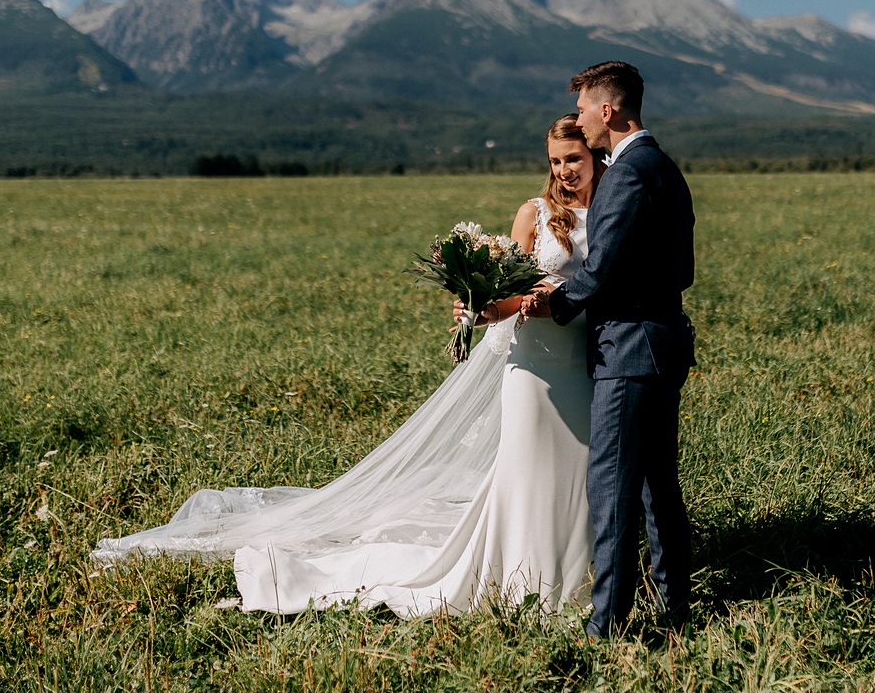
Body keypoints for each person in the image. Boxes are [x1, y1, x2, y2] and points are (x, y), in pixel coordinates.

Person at [93, 115, 602, 616]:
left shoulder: (611, 209)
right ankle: (520, 576)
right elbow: (508, 295)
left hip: (582, 358)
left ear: (595, 154)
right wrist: (486, 307)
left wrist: (554, 296)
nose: (564, 171)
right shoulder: (534, 213)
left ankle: (579, 573)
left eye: (573, 159)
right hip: (534, 364)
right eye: (555, 162)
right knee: (525, 466)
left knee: (576, 470)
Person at [523, 60, 696, 638]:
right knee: (656, 487)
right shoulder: (667, 169)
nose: (577, 121)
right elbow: (684, 270)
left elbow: (598, 273)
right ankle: (676, 611)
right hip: (665, 340)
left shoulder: (626, 172)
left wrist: (550, 301)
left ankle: (609, 623)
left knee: (612, 487)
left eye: (581, 109)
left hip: (628, 348)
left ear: (608, 110)